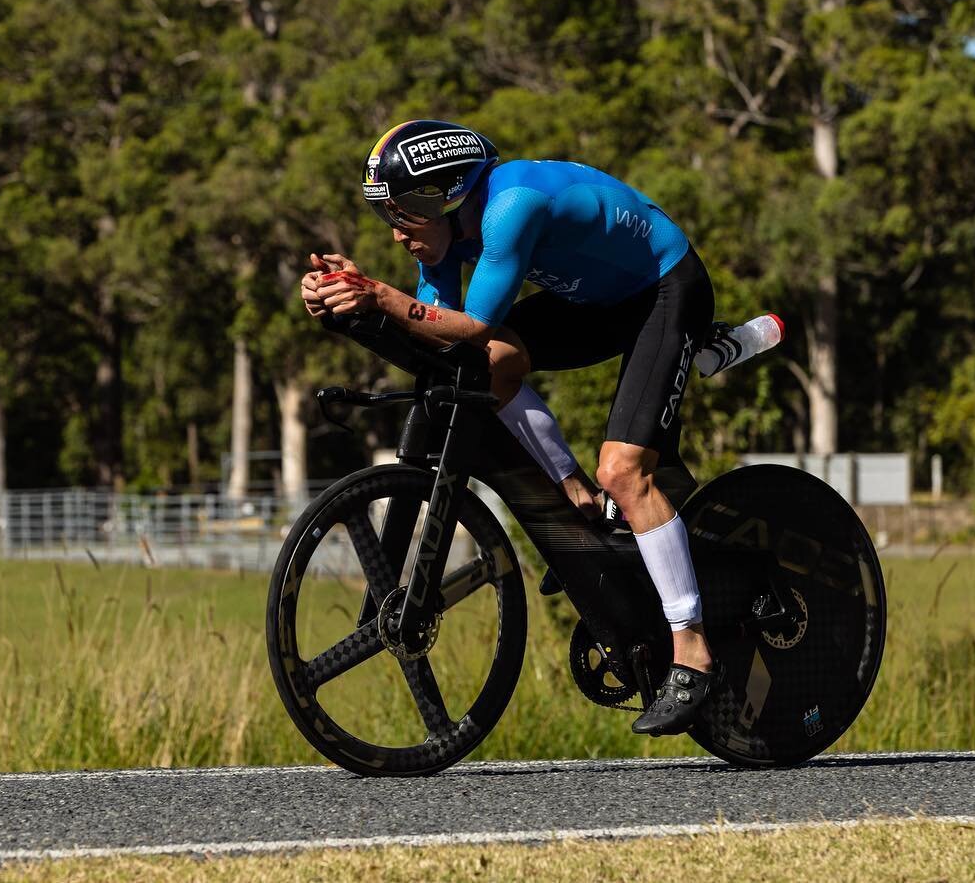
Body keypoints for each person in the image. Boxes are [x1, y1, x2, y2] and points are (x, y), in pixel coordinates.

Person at [299, 119, 717, 736]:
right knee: (489, 371)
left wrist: (379, 298)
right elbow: (443, 335)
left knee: (625, 472)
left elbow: (468, 326)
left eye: (404, 214)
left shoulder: (510, 208)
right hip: (597, 301)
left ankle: (693, 652)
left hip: (664, 290)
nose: (397, 232)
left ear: (446, 196)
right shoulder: (445, 234)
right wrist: (343, 297)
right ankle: (575, 494)